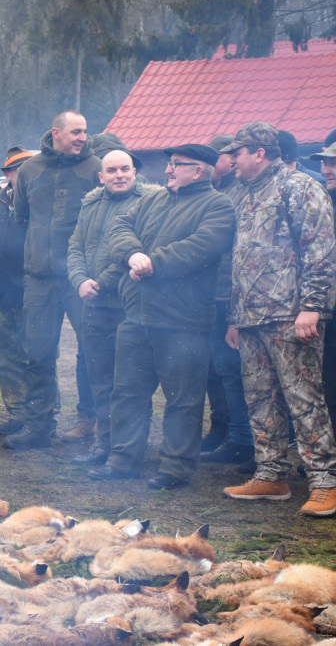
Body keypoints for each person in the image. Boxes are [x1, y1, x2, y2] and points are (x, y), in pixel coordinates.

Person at [88, 143, 234, 489]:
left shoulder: (218, 206)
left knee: (183, 399)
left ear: (197, 171)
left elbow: (202, 247)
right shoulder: (152, 200)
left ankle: (175, 468)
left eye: (175, 165)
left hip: (183, 323)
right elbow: (119, 230)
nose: (167, 170)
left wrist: (154, 262)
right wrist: (133, 254)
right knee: (126, 392)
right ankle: (123, 460)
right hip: (136, 317)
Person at [220, 122, 336, 516]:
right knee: (260, 399)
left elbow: (319, 250)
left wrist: (313, 306)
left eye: (239, 152)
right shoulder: (245, 195)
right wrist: (235, 317)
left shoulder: (300, 187)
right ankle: (272, 474)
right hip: (251, 317)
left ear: (260, 153)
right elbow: (242, 259)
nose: (231, 159)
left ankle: (325, 481)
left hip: (290, 315)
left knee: (304, 399)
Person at [9, 110, 102, 449]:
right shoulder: (30, 170)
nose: (82, 137)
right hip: (39, 280)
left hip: (81, 281)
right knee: (38, 352)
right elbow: (21, 218)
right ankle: (38, 426)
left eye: (85, 131)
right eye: (75, 131)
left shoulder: (95, 168)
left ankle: (96, 426)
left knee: (93, 350)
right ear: (56, 133)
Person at [66, 145, 150, 466]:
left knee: (129, 382)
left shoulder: (146, 204)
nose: (119, 175)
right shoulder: (90, 205)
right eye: (112, 171)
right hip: (92, 306)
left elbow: (135, 249)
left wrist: (99, 282)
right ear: (101, 177)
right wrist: (79, 280)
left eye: (125, 169)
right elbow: (74, 246)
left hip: (127, 307)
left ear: (134, 172)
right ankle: (104, 443)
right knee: (99, 379)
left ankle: (131, 448)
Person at [200, 134, 255, 469]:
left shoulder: (237, 193)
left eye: (218, 157)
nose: (228, 161)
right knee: (215, 370)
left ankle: (241, 440)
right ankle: (223, 431)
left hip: (231, 295)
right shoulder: (219, 191)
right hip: (213, 295)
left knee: (232, 371)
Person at [0, 146, 32, 431]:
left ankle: (39, 417)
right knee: (5, 355)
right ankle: (17, 413)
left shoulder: (39, 202)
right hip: (1, 293)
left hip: (31, 293)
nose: (20, 177)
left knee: (32, 354)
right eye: (15, 171)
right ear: (8, 175)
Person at [312, 141, 336, 431]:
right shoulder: (324, 202)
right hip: (328, 311)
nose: (327, 169)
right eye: (325, 162)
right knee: (328, 381)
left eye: (334, 163)